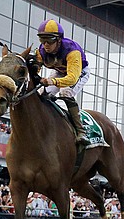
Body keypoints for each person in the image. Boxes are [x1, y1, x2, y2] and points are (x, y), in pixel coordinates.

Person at [34, 18, 99, 147]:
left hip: (79, 72)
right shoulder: (41, 51)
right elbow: (36, 68)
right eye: (42, 40)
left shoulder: (71, 50)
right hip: (60, 72)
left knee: (66, 92)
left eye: (50, 40)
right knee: (41, 93)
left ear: (58, 40)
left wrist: (52, 81)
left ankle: (81, 131)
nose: (46, 44)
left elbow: (72, 79)